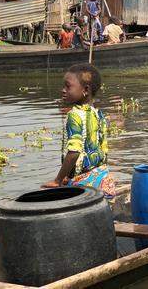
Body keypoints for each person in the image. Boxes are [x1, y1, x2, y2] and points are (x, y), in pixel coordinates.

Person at [42, 64, 115, 198]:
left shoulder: (74, 115)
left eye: (68, 86)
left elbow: (74, 152)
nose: (63, 90)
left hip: (83, 186)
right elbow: (103, 150)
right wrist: (68, 175)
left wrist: (58, 180)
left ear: (85, 90)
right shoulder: (99, 114)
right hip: (104, 179)